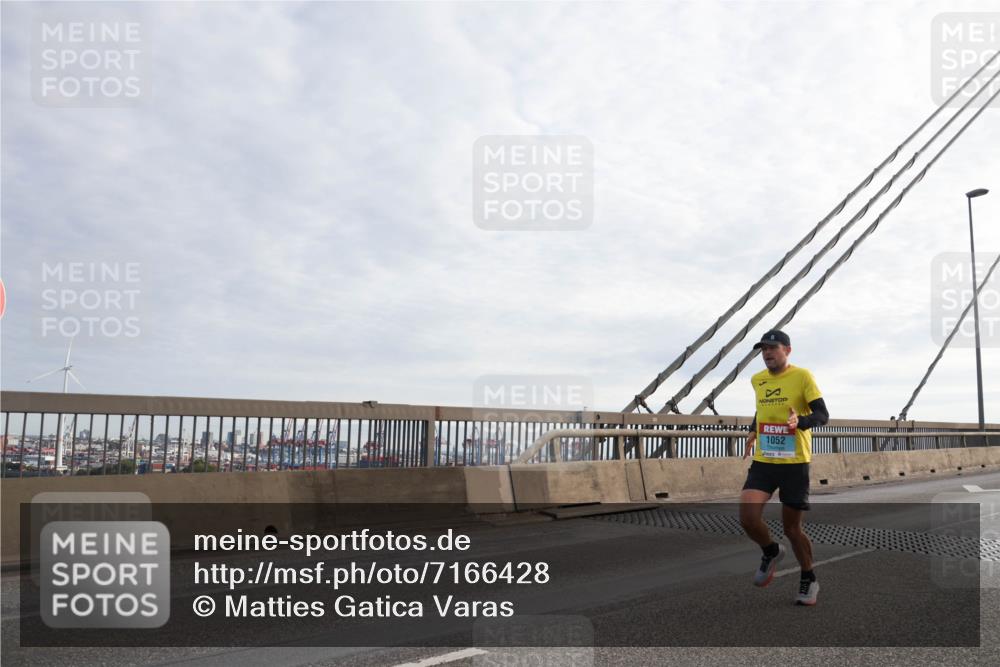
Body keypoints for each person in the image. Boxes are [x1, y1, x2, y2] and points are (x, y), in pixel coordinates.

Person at [739, 329, 829, 605]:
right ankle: (770, 551)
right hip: (765, 460)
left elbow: (822, 415)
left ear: (787, 350)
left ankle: (808, 577)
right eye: (763, 349)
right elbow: (762, 409)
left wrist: (799, 422)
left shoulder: (802, 376)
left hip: (794, 463)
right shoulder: (757, 380)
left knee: (792, 529)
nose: (767, 353)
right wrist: (753, 430)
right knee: (748, 517)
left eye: (772, 348)